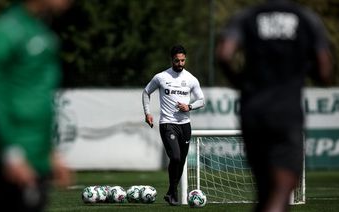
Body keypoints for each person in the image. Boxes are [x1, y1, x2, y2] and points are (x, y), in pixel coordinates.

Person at [216, 0, 332, 211]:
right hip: (285, 112)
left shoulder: (247, 16)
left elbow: (224, 55)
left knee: (265, 191)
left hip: (252, 111)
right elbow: (324, 71)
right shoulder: (306, 18)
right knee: (281, 191)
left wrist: (241, 83)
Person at [0, 0, 73, 211]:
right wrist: (11, 154)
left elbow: (43, 100)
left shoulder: (45, 34)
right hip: (12, 159)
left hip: (39, 157)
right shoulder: (2, 31)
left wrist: (51, 151)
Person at [142, 45, 205, 206]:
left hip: (185, 125)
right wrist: (147, 113)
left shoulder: (191, 79)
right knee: (175, 157)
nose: (180, 63)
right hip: (168, 124)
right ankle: (173, 192)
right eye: (177, 60)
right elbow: (146, 92)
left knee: (182, 160)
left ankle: (171, 192)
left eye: (183, 60)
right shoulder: (161, 77)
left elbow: (202, 100)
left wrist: (189, 107)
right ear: (172, 60)